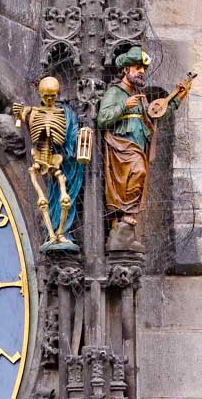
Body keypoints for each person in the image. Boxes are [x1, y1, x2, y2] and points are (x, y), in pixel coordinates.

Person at [97, 46, 180, 252]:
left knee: (138, 178)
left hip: (139, 147)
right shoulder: (115, 92)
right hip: (121, 147)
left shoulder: (140, 96)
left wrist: (177, 98)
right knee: (136, 173)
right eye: (137, 67)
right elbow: (102, 119)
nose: (141, 71)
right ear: (126, 70)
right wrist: (124, 105)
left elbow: (155, 116)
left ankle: (125, 226)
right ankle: (123, 221)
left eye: (143, 68)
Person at [12, 76, 84, 250]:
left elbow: (73, 131)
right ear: (40, 95)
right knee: (48, 198)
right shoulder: (33, 111)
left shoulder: (66, 113)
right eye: (46, 96)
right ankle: (52, 233)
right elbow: (22, 123)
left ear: (58, 94)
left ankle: (62, 232)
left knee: (65, 195)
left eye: (53, 96)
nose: (50, 99)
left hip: (61, 160)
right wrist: (20, 114)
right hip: (40, 159)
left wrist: (77, 139)